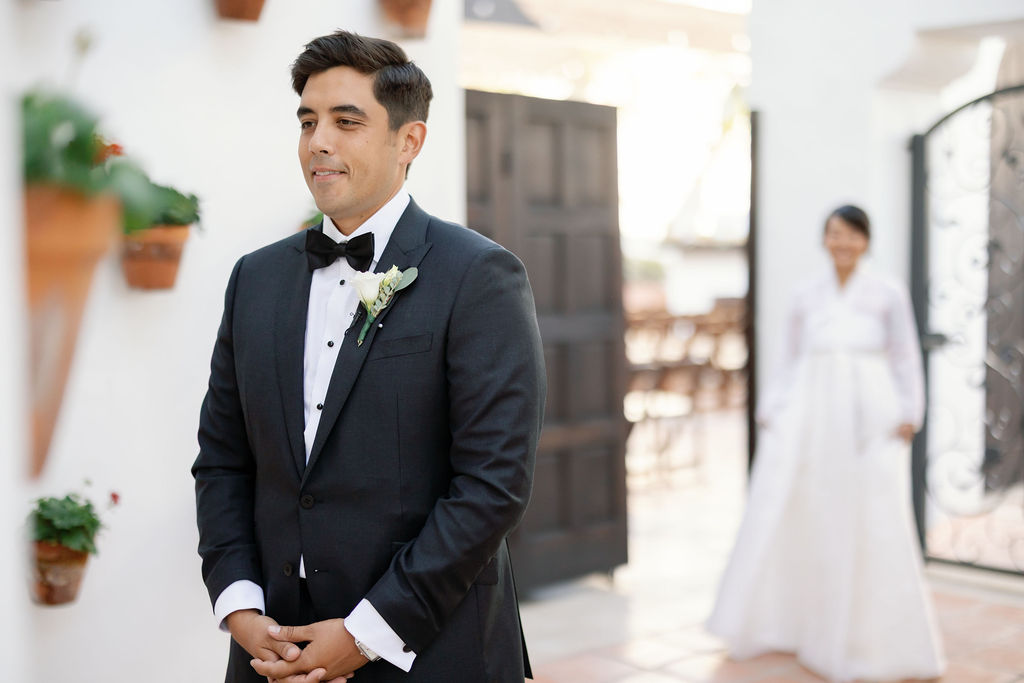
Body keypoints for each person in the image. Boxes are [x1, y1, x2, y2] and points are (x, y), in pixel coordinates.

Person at [193, 30, 546, 683]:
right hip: (272, 649)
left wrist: (365, 634)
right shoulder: (254, 279)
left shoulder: (479, 276)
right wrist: (238, 604)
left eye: (346, 122)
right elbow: (222, 459)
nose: (317, 142)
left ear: (409, 141)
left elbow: (492, 484)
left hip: (429, 647)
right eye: (308, 122)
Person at [706, 205, 945, 681]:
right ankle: (794, 623)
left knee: (873, 513)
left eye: (852, 234)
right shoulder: (805, 294)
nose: (843, 243)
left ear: (866, 241)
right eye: (835, 234)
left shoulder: (887, 292)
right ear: (824, 239)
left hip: (870, 416)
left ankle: (869, 636)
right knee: (803, 508)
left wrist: (910, 410)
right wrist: (772, 406)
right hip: (810, 416)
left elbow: (904, 352)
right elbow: (788, 355)